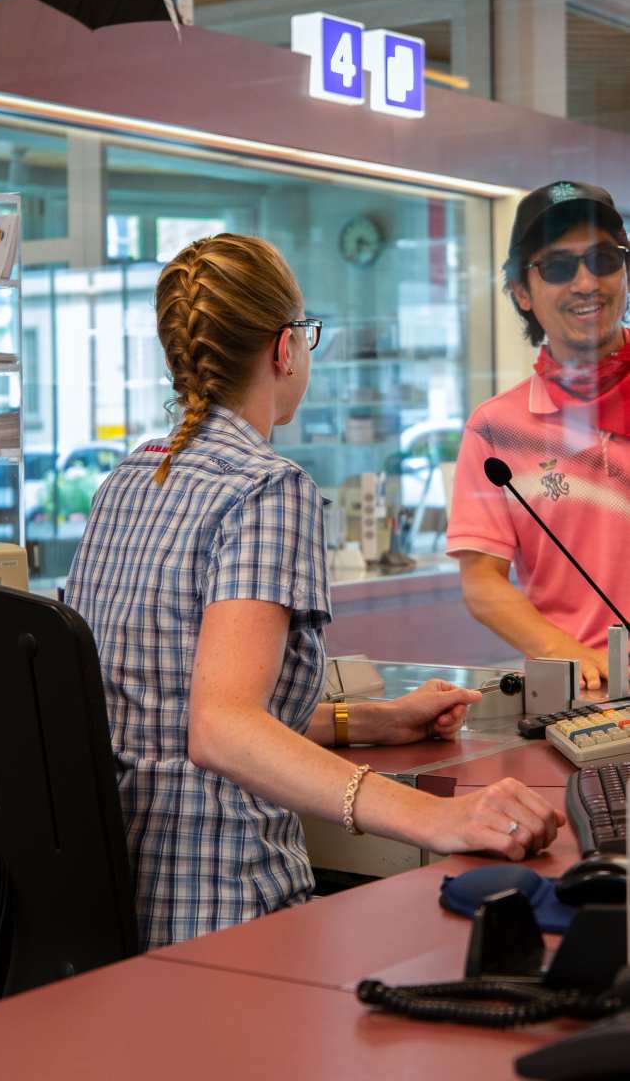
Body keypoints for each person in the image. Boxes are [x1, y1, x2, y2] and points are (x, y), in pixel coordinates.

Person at [64, 233, 564, 951]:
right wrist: (436, 818)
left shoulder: (126, 483)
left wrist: (369, 723)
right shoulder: (267, 488)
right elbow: (221, 729)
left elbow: (170, 711)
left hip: (121, 912)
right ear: (282, 349)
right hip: (228, 907)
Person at [446, 182, 630, 690]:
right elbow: (482, 580)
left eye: (603, 259)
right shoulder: (496, 430)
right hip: (579, 699)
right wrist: (569, 654)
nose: (587, 282)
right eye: (558, 267)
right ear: (522, 292)